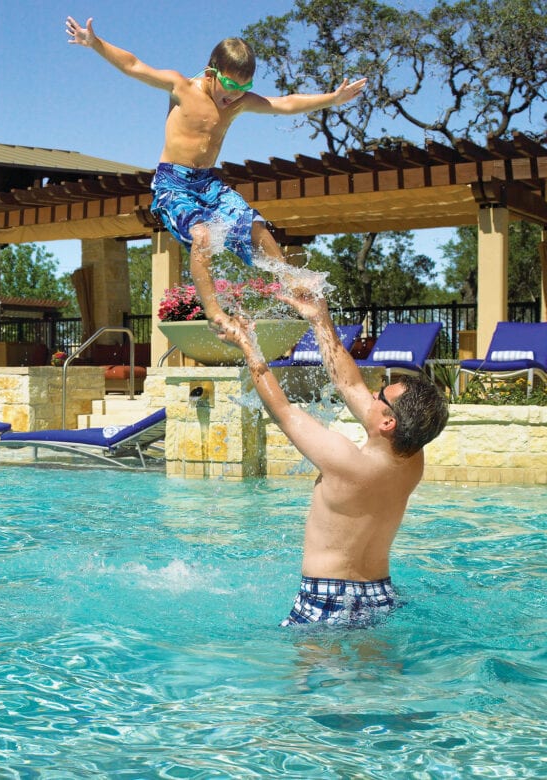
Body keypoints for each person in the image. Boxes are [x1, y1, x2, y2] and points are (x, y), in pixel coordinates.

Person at [65, 16, 367, 328]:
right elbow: (133, 65)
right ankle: (215, 311)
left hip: (208, 183)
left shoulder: (238, 103)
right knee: (203, 236)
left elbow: (285, 103)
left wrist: (332, 98)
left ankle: (291, 281)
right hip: (174, 183)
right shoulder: (182, 87)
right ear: (212, 72)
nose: (235, 95)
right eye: (231, 85)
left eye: (244, 87)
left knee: (257, 226)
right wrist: (95, 43)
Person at [219, 292, 449, 627]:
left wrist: (247, 345)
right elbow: (349, 382)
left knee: (306, 680)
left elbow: (282, 410)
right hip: (380, 596)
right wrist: (319, 319)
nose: (371, 393)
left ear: (387, 422)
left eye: (381, 395)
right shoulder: (413, 459)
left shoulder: (344, 461)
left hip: (325, 598)